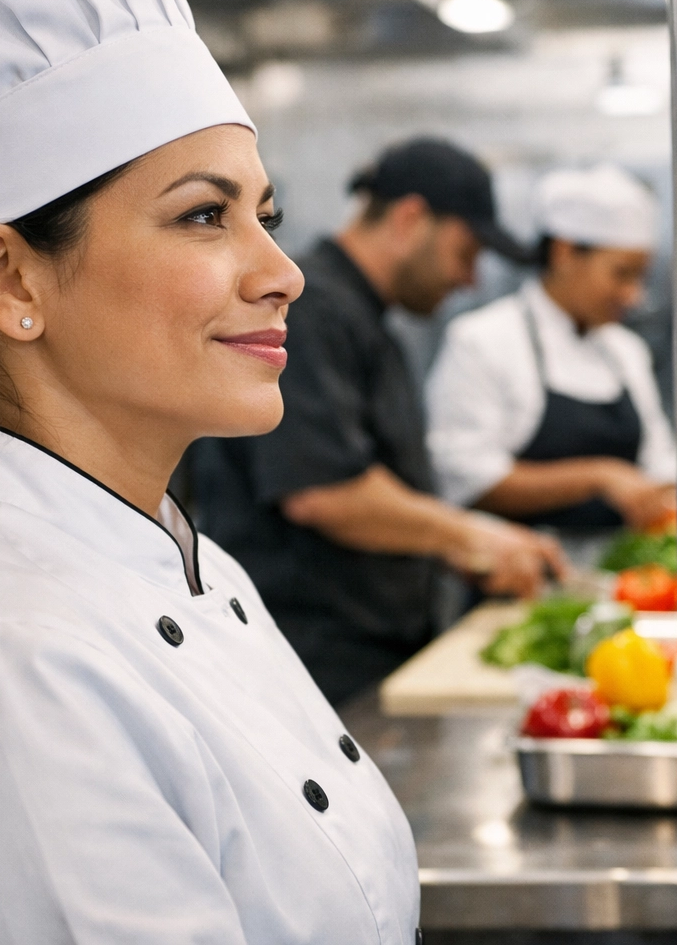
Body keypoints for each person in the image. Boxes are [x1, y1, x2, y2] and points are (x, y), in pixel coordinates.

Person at [0, 0, 418, 943]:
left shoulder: (175, 560)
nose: (283, 272)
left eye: (265, 214)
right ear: (7, 278)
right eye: (205, 216)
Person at [194, 139, 567, 704]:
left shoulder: (365, 319)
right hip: (315, 662)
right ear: (410, 219)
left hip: (367, 649)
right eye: (466, 253)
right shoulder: (312, 312)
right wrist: (472, 536)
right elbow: (323, 492)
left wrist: (459, 549)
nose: (470, 279)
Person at [426, 163, 677, 530]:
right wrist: (598, 477)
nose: (633, 295)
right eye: (621, 273)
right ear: (564, 252)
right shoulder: (482, 340)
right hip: (519, 561)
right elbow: (464, 478)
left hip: (628, 561)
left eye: (640, 277)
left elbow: (659, 462)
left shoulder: (627, 351)